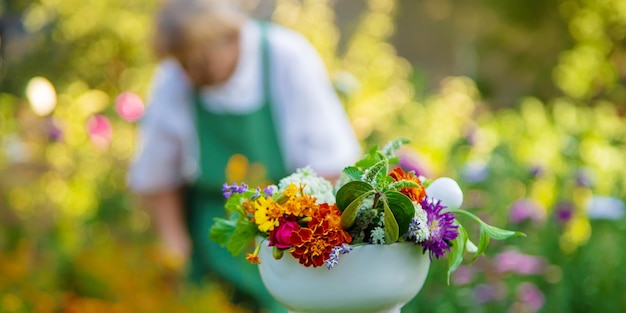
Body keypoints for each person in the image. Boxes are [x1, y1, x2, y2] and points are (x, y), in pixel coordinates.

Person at [127, 0, 361, 311]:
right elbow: (156, 176)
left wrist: (303, 244)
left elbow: (331, 164)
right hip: (210, 256)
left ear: (229, 37)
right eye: (182, 64)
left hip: (287, 246)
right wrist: (174, 246)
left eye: (197, 62)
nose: (188, 74)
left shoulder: (286, 57)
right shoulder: (176, 78)